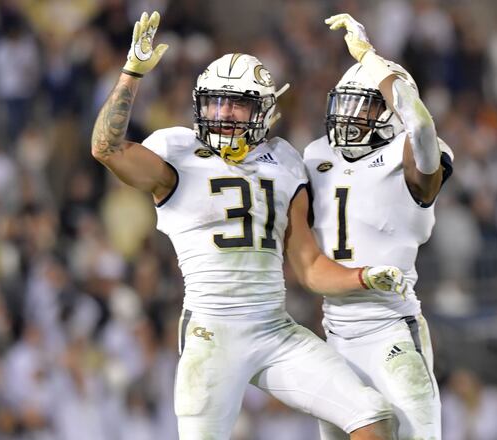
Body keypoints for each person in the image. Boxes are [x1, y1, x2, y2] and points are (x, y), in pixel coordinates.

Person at [90, 11, 406, 440]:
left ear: (264, 111)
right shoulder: (178, 150)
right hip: (212, 332)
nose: (223, 113)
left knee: (373, 416)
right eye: (215, 101)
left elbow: (309, 266)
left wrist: (363, 277)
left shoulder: (284, 161)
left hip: (274, 330)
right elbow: (106, 148)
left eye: (236, 103)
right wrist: (131, 74)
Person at [304, 13, 455, 439]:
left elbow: (420, 124)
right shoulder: (316, 154)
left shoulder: (411, 154)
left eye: (366, 106)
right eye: (347, 104)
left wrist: (372, 59)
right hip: (334, 331)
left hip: (391, 328)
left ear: (390, 111)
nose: (351, 117)